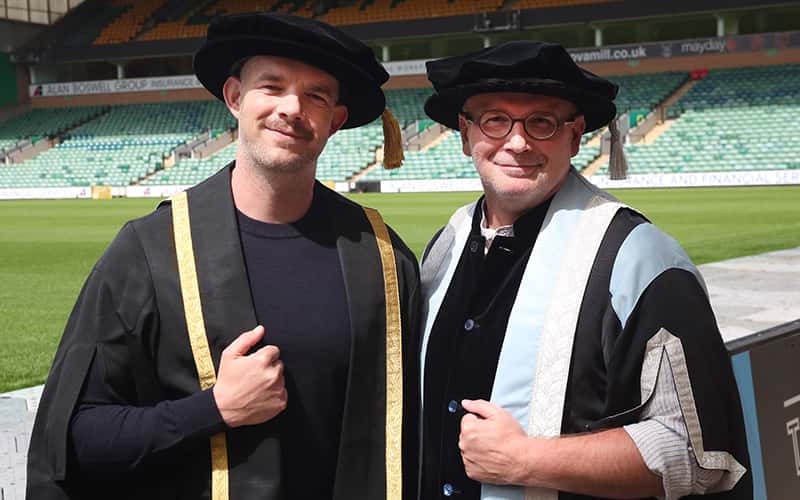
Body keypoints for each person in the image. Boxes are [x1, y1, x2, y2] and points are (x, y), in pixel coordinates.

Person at [27, 13, 420, 500]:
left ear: (335, 120)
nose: (292, 108)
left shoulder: (381, 257)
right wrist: (214, 408)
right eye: (271, 87)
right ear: (235, 97)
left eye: (316, 95)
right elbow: (75, 438)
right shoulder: (150, 251)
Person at [418, 41, 751, 500]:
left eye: (542, 122)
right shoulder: (445, 246)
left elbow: (696, 452)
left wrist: (526, 460)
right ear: (464, 132)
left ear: (574, 137)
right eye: (495, 119)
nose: (517, 142)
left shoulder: (638, 257)